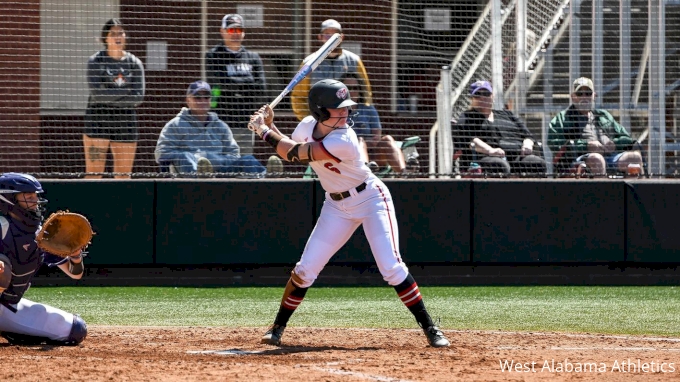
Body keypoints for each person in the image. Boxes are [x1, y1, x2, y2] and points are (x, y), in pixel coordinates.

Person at [247, 79, 450, 348]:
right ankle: (277, 328)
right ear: (320, 111)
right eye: (338, 108)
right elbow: (288, 144)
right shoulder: (306, 125)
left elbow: (295, 155)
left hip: (370, 199)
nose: (345, 113)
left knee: (391, 267)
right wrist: (270, 125)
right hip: (336, 206)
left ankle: (431, 328)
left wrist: (262, 130)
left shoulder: (345, 139)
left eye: (346, 107)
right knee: (305, 269)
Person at [0, 173, 88, 346]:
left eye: (35, 196)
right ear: (9, 199)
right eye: (28, 196)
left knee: (76, 329)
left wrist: (76, 257)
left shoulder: (39, 234)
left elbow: (75, 274)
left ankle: (14, 331)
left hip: (8, 305)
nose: (35, 201)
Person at [155, 81, 274, 177]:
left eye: (206, 97)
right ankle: (201, 176)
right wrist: (195, 157)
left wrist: (214, 160)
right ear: (188, 100)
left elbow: (233, 155)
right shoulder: (175, 125)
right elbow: (162, 153)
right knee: (185, 157)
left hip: (221, 173)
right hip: (188, 176)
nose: (202, 101)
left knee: (248, 160)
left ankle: (269, 178)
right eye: (197, 97)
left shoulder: (220, 126)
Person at [84, 18, 145, 179]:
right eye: (113, 33)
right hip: (98, 118)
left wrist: (109, 94)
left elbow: (138, 97)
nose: (118, 36)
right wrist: (127, 92)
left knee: (124, 175)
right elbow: (97, 94)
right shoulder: (96, 61)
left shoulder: (134, 63)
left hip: (125, 120)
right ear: (106, 38)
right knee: (94, 173)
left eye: (121, 32)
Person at [548, 77, 644, 176]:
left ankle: (633, 190)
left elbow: (627, 138)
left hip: (611, 156)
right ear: (573, 97)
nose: (584, 97)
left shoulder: (603, 115)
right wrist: (586, 146)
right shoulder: (562, 118)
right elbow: (554, 143)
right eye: (580, 94)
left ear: (594, 95)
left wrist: (615, 144)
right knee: (597, 159)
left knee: (634, 157)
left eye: (588, 93)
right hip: (582, 159)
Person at [205, 13, 267, 156]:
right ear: (222, 31)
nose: (235, 34)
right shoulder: (213, 56)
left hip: (246, 121)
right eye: (231, 30)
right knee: (221, 162)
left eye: (239, 30)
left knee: (244, 163)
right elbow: (217, 83)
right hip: (221, 120)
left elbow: (261, 88)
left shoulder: (253, 58)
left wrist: (233, 86)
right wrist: (247, 84)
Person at [456, 80, 546, 175]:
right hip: (486, 157)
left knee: (537, 163)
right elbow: (468, 140)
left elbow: (528, 136)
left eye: (486, 93)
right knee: (501, 166)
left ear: (492, 96)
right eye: (478, 94)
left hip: (517, 157)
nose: (482, 97)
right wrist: (490, 151)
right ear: (472, 99)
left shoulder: (508, 114)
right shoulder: (467, 117)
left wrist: (527, 145)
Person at [290, 19, 373, 121]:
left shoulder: (354, 61)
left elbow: (366, 93)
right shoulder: (309, 63)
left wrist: (361, 118)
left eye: (335, 36)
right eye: (327, 35)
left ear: (342, 37)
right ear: (320, 37)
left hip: (349, 120)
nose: (331, 39)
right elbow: (298, 96)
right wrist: (310, 121)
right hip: (320, 121)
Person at [340, 73, 406, 173]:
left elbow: (376, 137)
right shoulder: (335, 111)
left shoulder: (368, 109)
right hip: (345, 157)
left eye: (355, 88)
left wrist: (365, 142)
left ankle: (404, 173)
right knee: (359, 141)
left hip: (374, 158)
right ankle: (364, 171)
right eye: (348, 88)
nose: (352, 92)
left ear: (360, 90)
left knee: (387, 139)